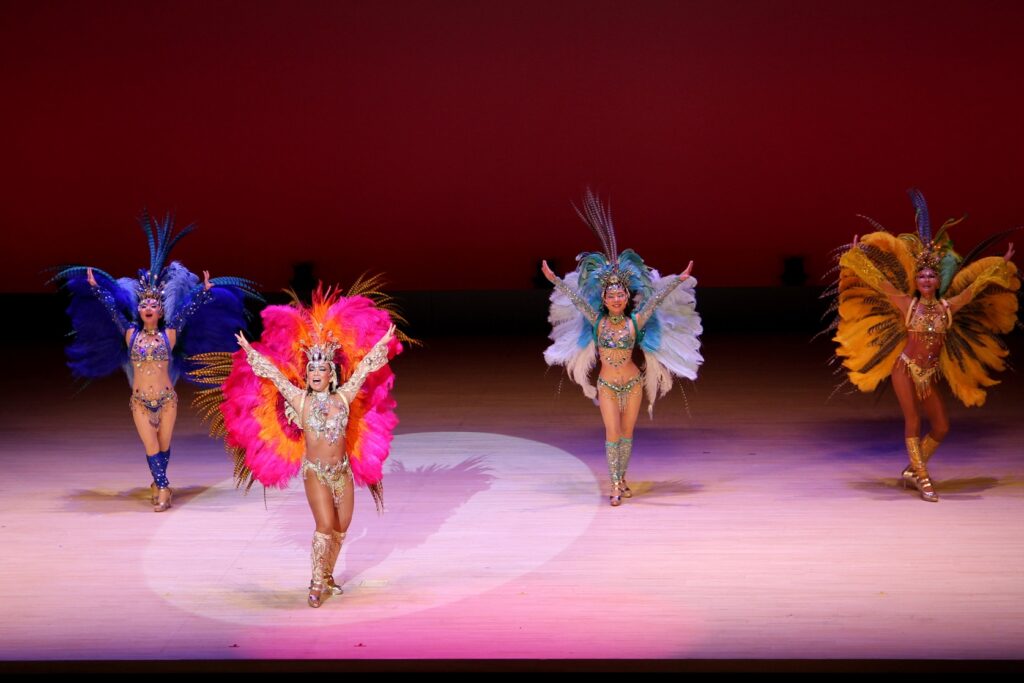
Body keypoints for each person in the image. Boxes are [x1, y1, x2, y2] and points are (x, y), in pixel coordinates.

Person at [193, 282, 403, 607]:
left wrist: (383, 343)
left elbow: (363, 371)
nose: (316, 373)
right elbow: (275, 376)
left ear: (331, 374)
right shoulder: (300, 400)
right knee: (324, 526)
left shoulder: (343, 398)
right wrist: (250, 352)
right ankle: (316, 584)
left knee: (341, 527)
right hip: (316, 472)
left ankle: (328, 574)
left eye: (322, 369)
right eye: (311, 369)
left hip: (342, 471)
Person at [51, 210, 260, 511]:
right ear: (140, 310)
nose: (148, 307)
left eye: (154, 304)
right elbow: (112, 311)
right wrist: (96, 288)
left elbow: (187, 312)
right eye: (144, 304)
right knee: (151, 447)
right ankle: (163, 488)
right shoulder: (130, 334)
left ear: (160, 311)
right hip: (139, 402)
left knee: (162, 447)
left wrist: (203, 292)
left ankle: (159, 482)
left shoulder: (169, 335)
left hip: (167, 401)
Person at [831, 188, 1019, 502]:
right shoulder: (908, 305)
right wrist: (858, 257)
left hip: (928, 375)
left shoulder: (948, 307)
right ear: (916, 281)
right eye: (922, 276)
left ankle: (912, 469)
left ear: (938, 280)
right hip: (905, 369)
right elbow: (880, 283)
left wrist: (1001, 264)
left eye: (932, 275)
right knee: (914, 421)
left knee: (942, 426)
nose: (928, 280)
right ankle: (922, 477)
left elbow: (975, 288)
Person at [542, 190, 703, 506]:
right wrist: (554, 280)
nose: (616, 299)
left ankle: (622, 479)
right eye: (611, 296)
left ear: (627, 298)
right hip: (607, 385)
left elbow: (656, 299)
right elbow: (576, 299)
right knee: (612, 434)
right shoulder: (597, 321)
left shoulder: (634, 322)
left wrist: (680, 279)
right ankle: (615, 485)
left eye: (620, 295)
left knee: (627, 436)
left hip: (632, 384)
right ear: (603, 299)